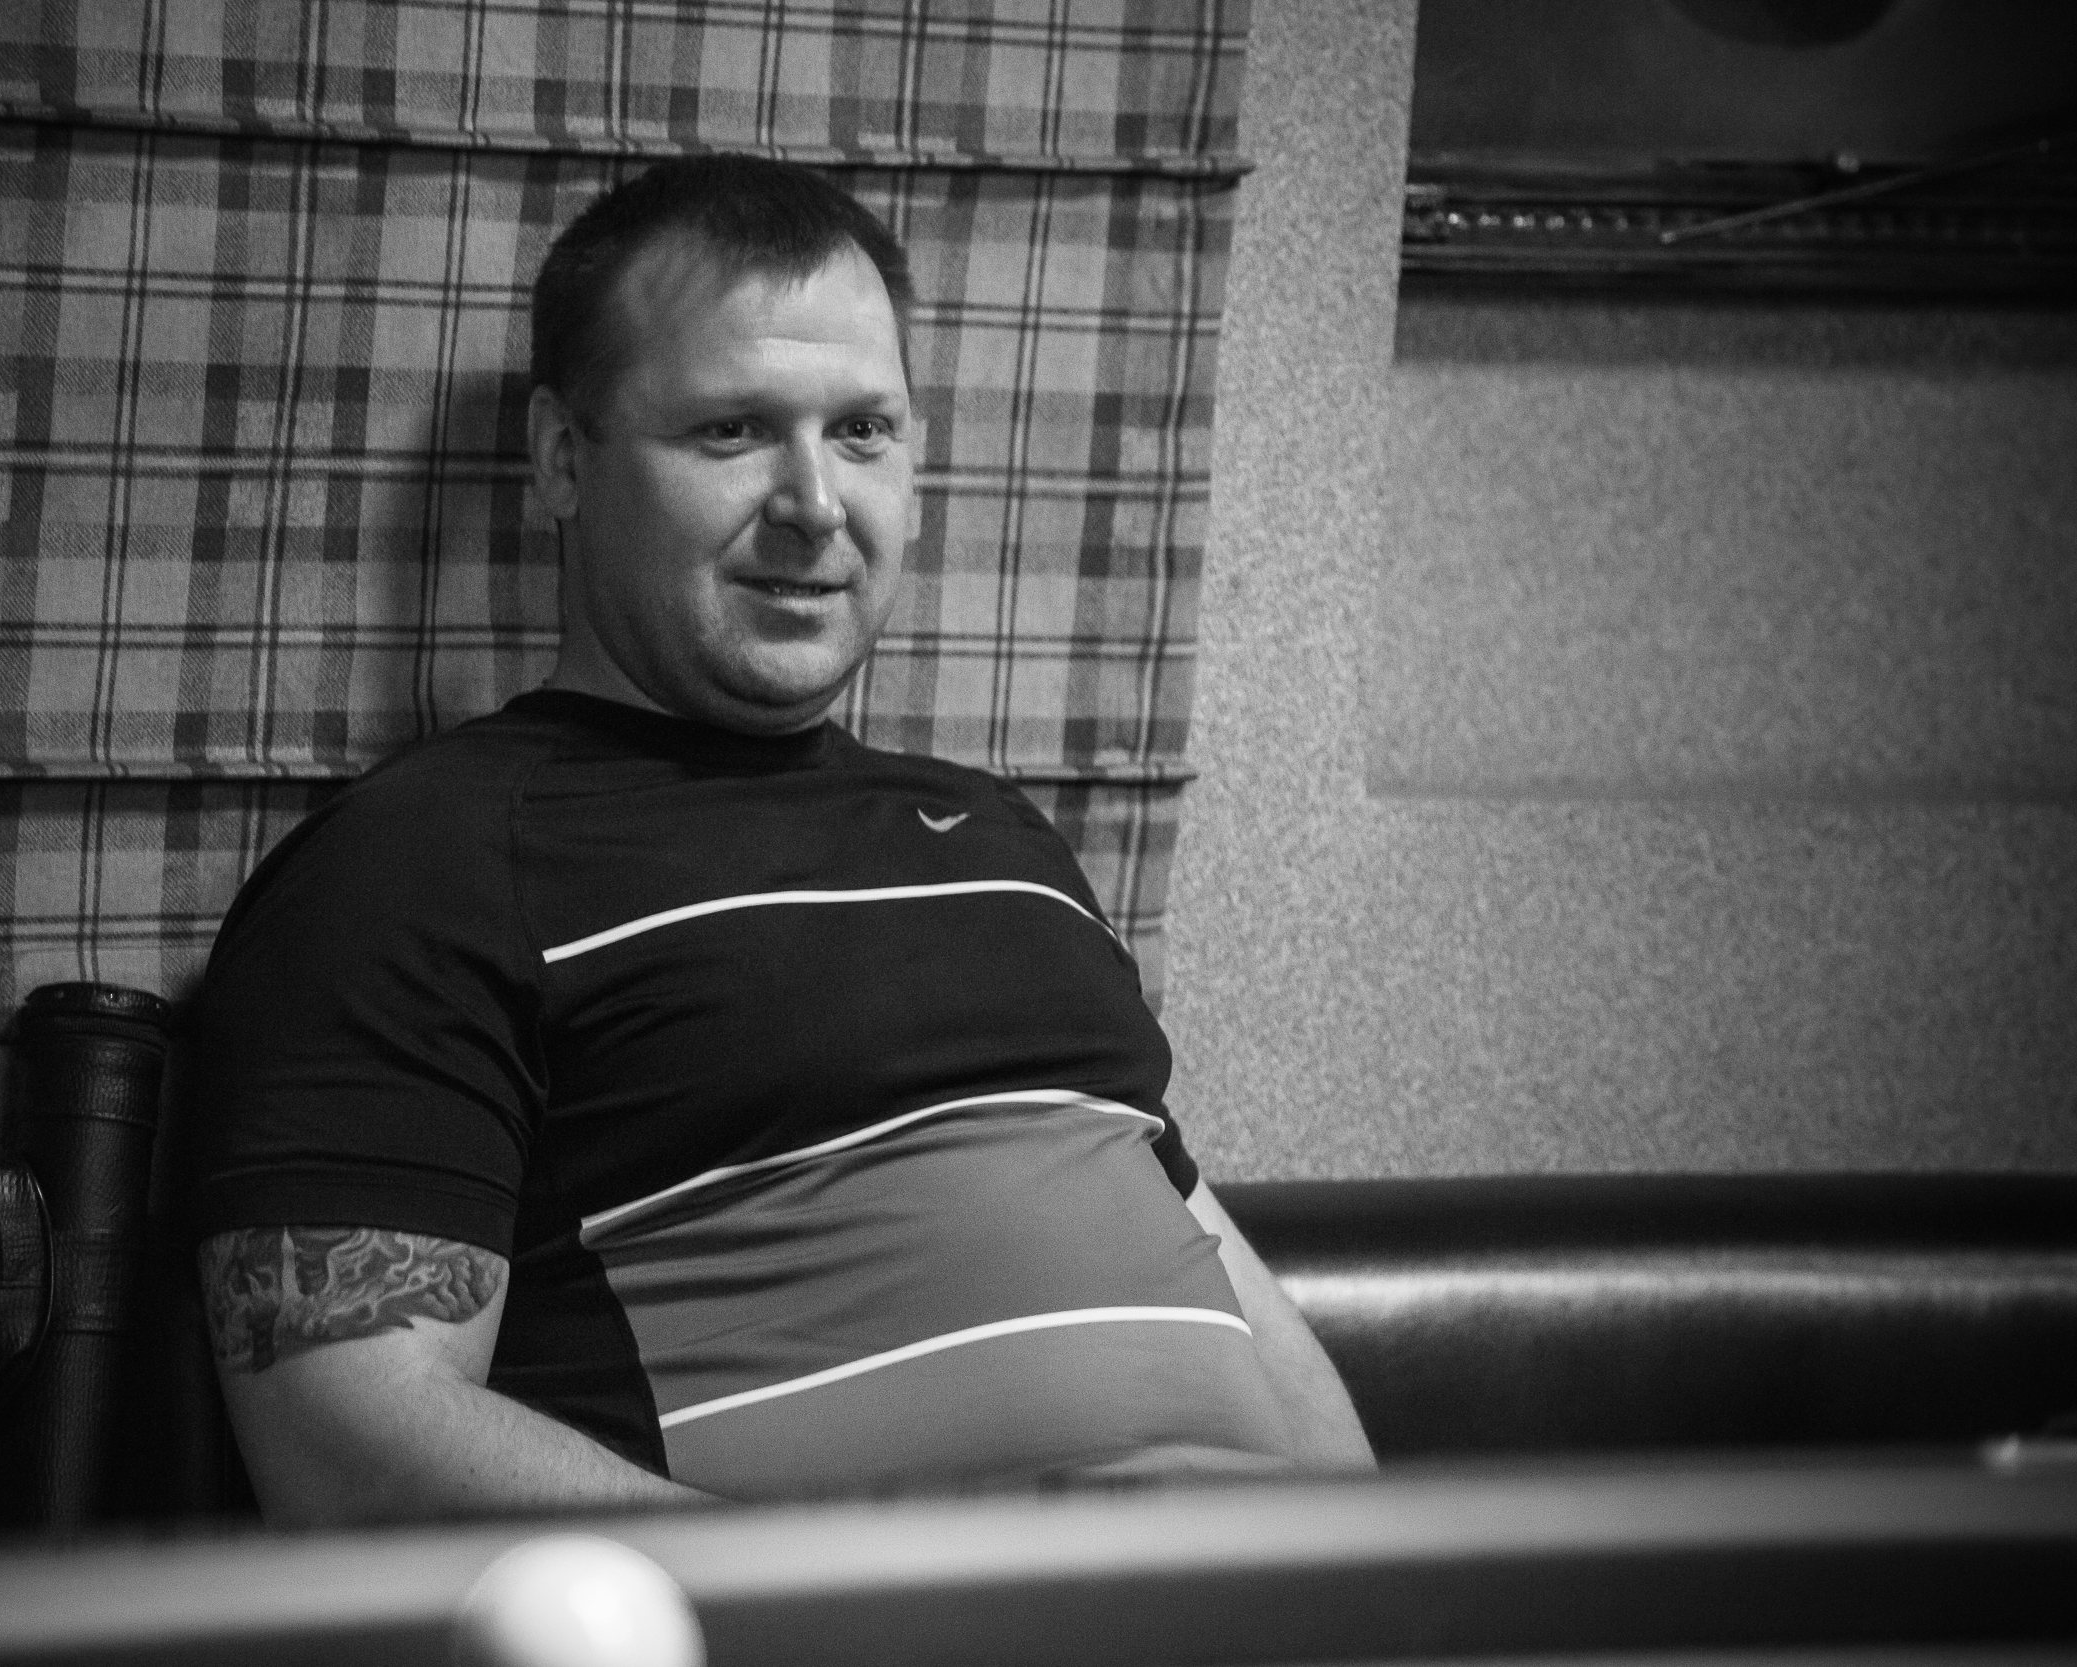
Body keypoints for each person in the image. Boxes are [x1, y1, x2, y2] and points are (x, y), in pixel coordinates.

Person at [184, 155, 1373, 1526]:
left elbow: (1221, 1289)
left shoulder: (1003, 843)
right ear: (564, 457)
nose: (815, 502)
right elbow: (347, 1443)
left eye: (862, 431)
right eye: (734, 430)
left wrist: (1388, 1581)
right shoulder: (423, 862)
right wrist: (854, 1609)